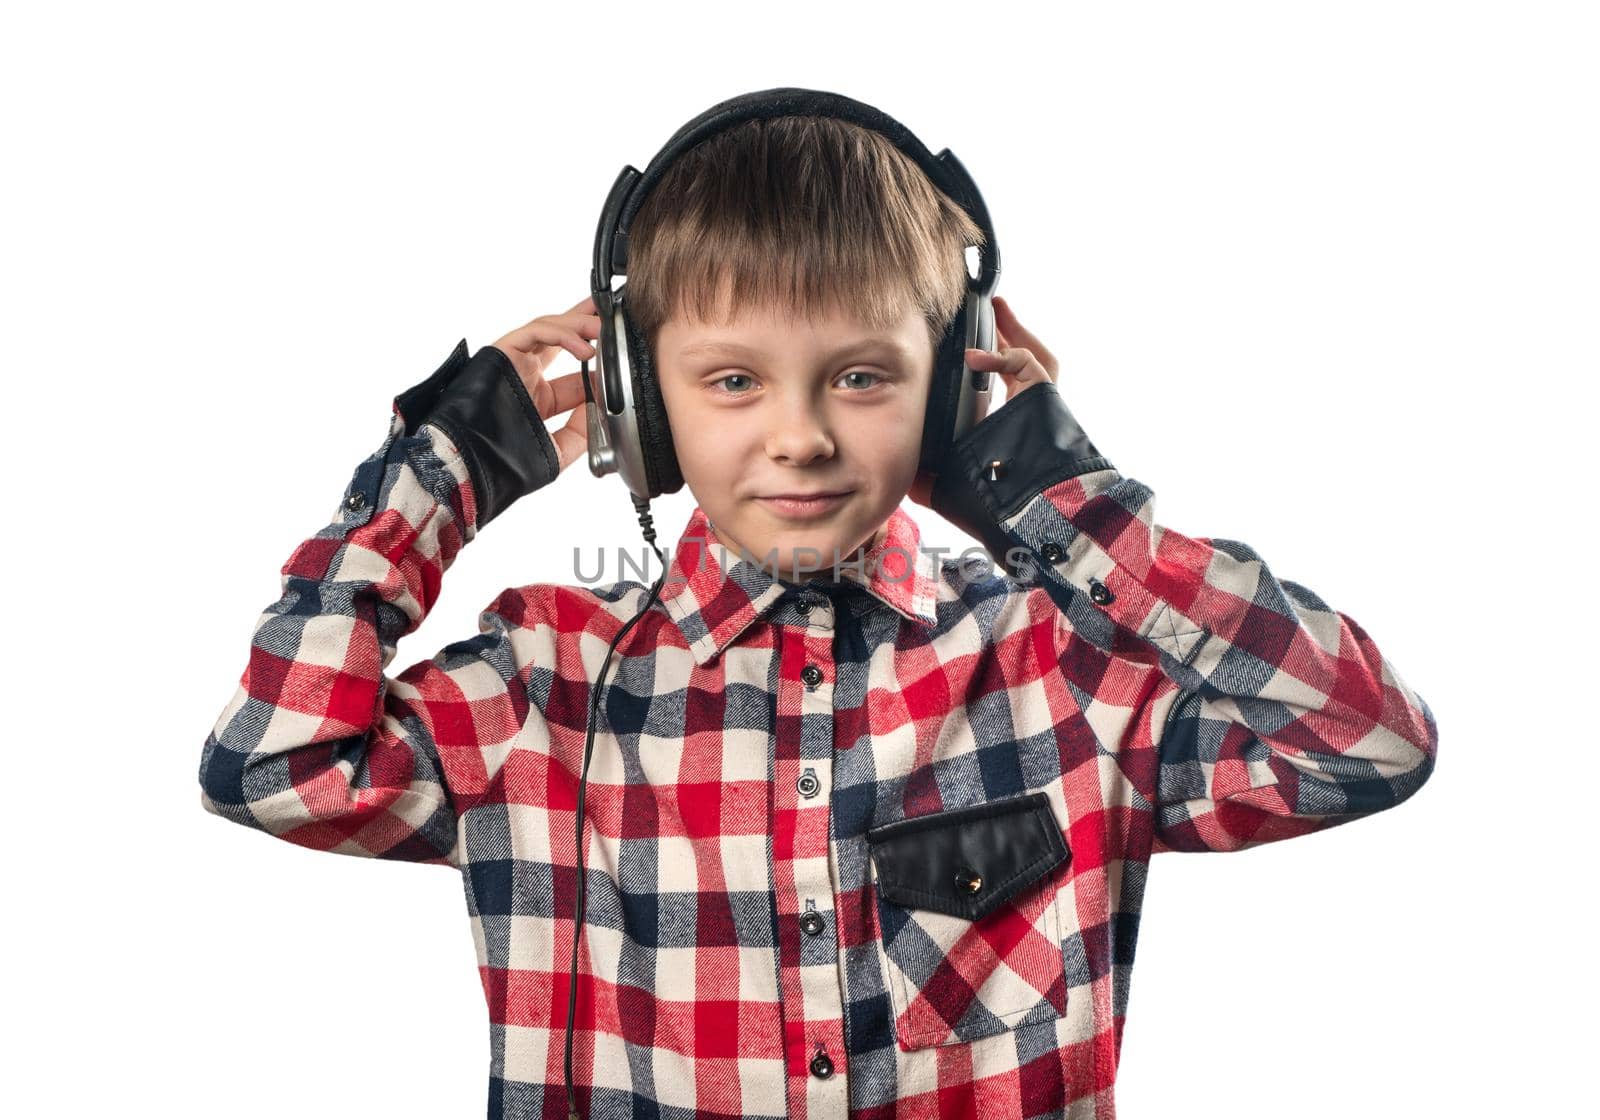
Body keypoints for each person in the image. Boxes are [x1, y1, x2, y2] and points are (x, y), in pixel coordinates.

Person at [198, 109, 1439, 1120]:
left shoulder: (1062, 671)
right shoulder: (543, 685)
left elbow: (1366, 743)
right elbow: (273, 761)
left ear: (955, 390)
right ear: (640, 398)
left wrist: (1063, 502)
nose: (799, 435)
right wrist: (443, 471)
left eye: (862, 376)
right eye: (731, 380)